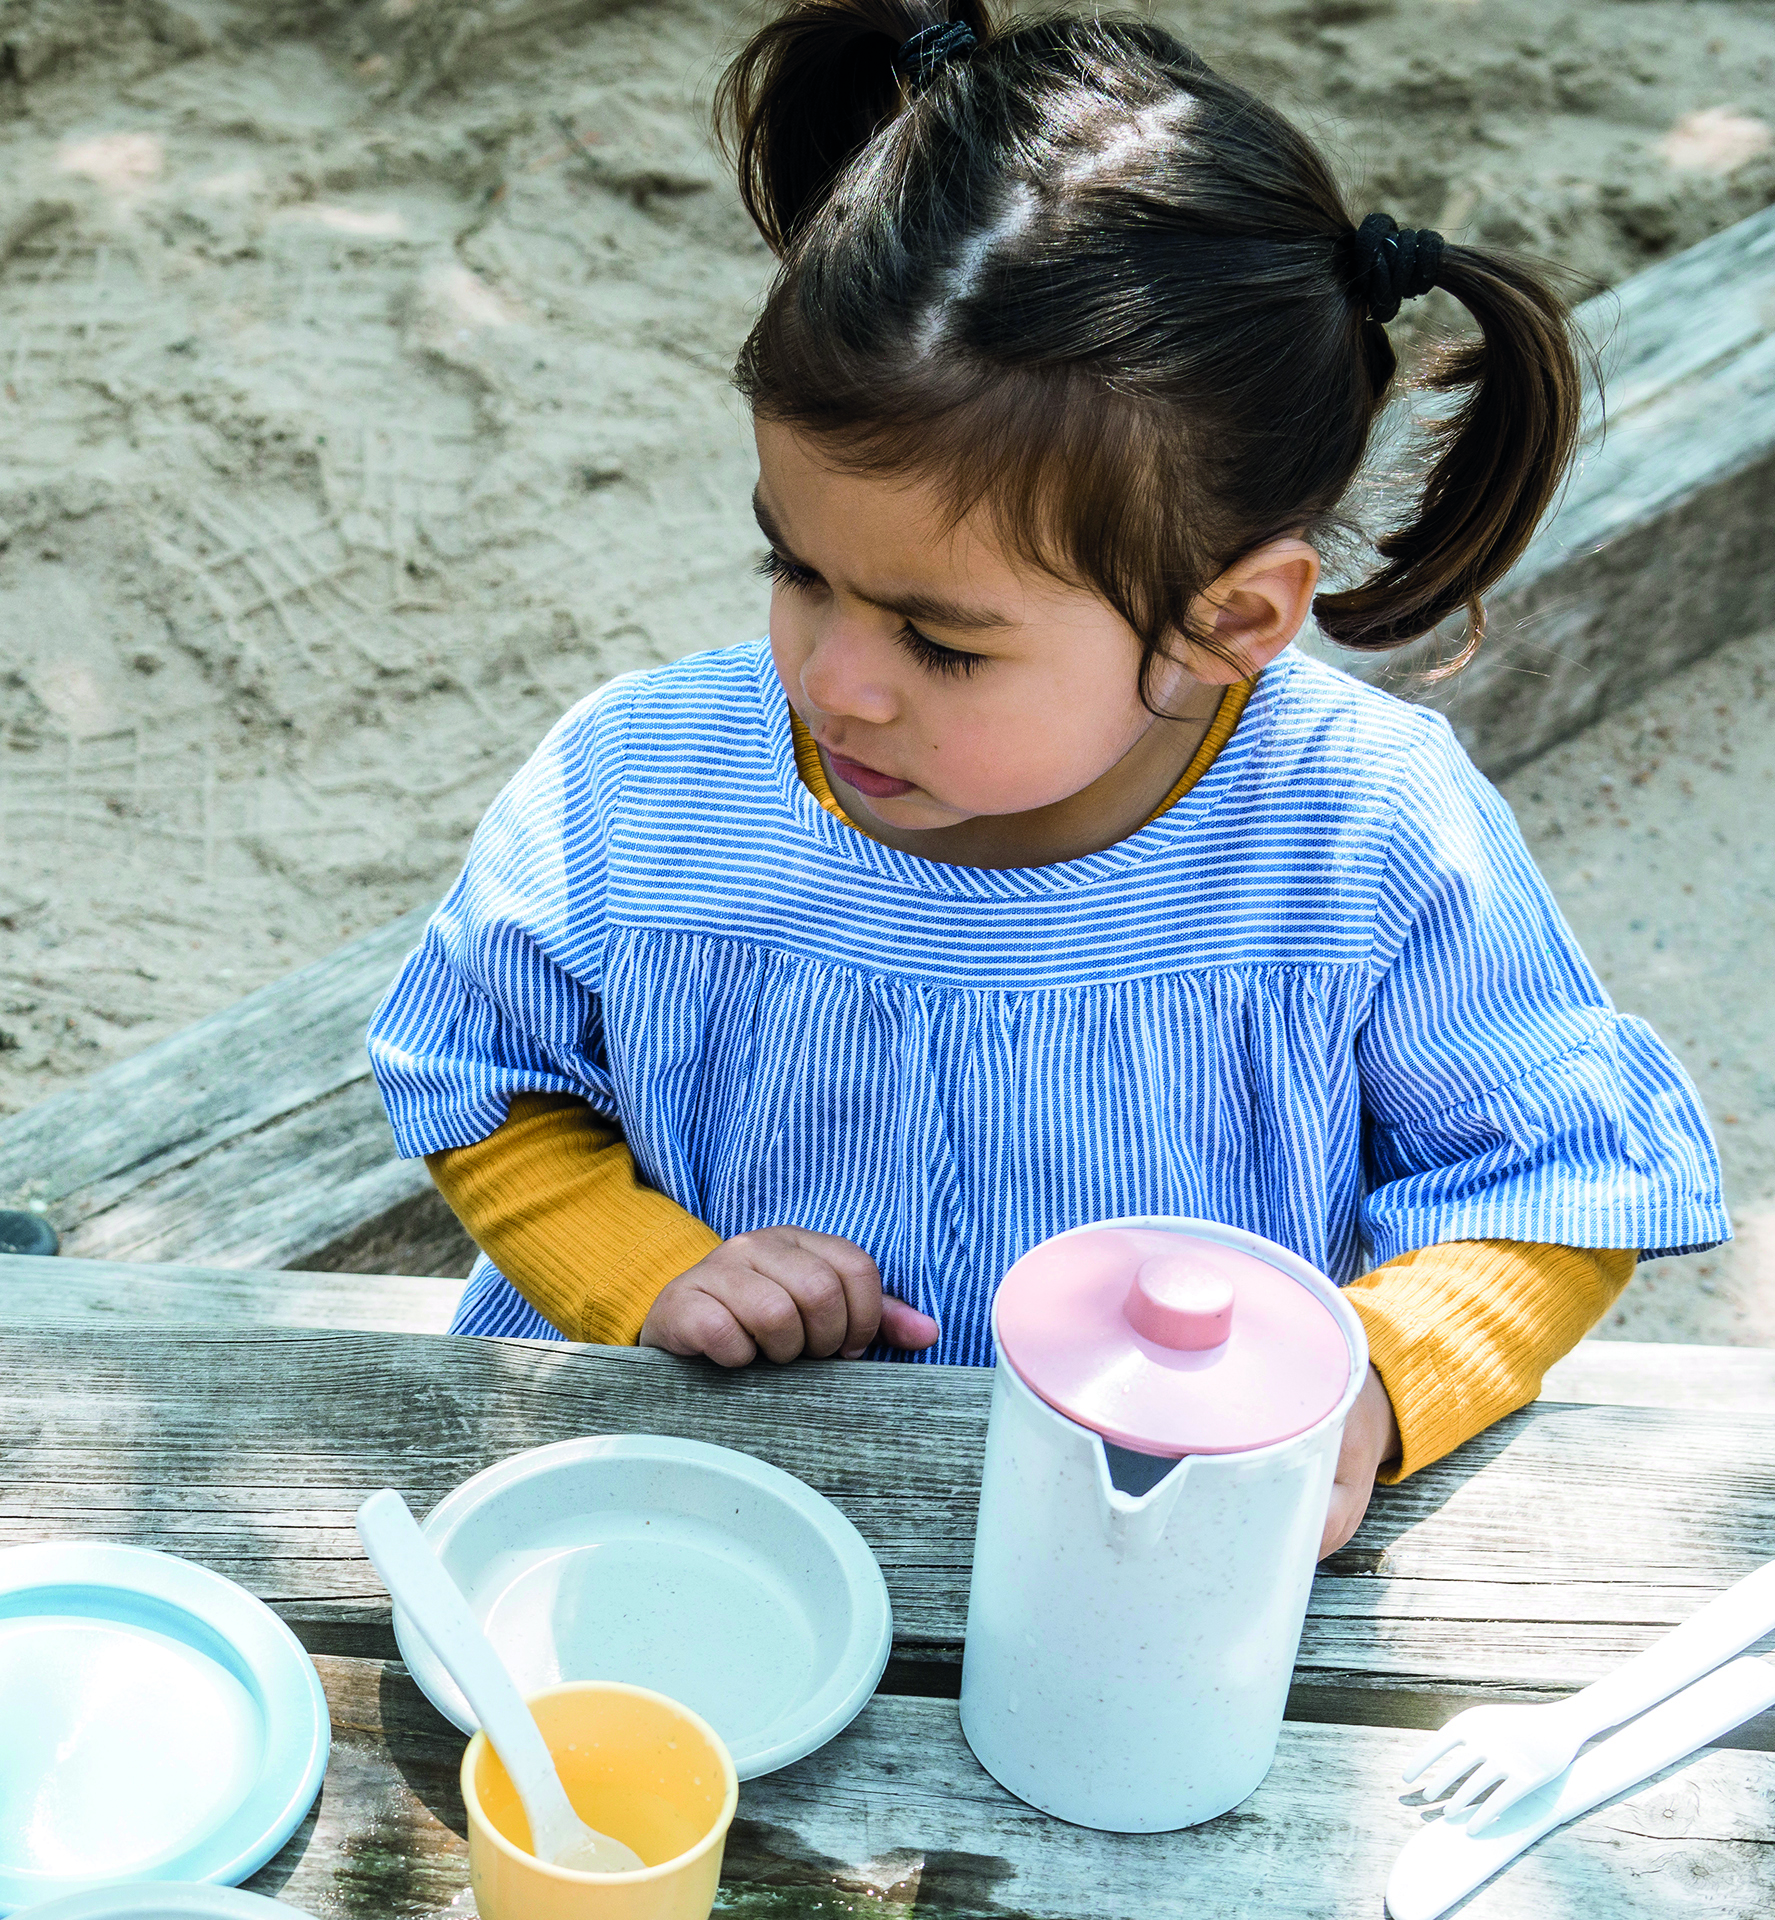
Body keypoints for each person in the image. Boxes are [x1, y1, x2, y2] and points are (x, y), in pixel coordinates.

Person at [367, 0, 1727, 1553]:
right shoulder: (645, 789)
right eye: (793, 565)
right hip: (694, 1511)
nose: (830, 677)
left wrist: (1373, 1378)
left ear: (1225, 622)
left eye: (940, 643)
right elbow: (483, 1081)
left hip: (1143, 1541)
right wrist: (647, 1270)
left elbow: (1550, 1178)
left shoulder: (1356, 835)